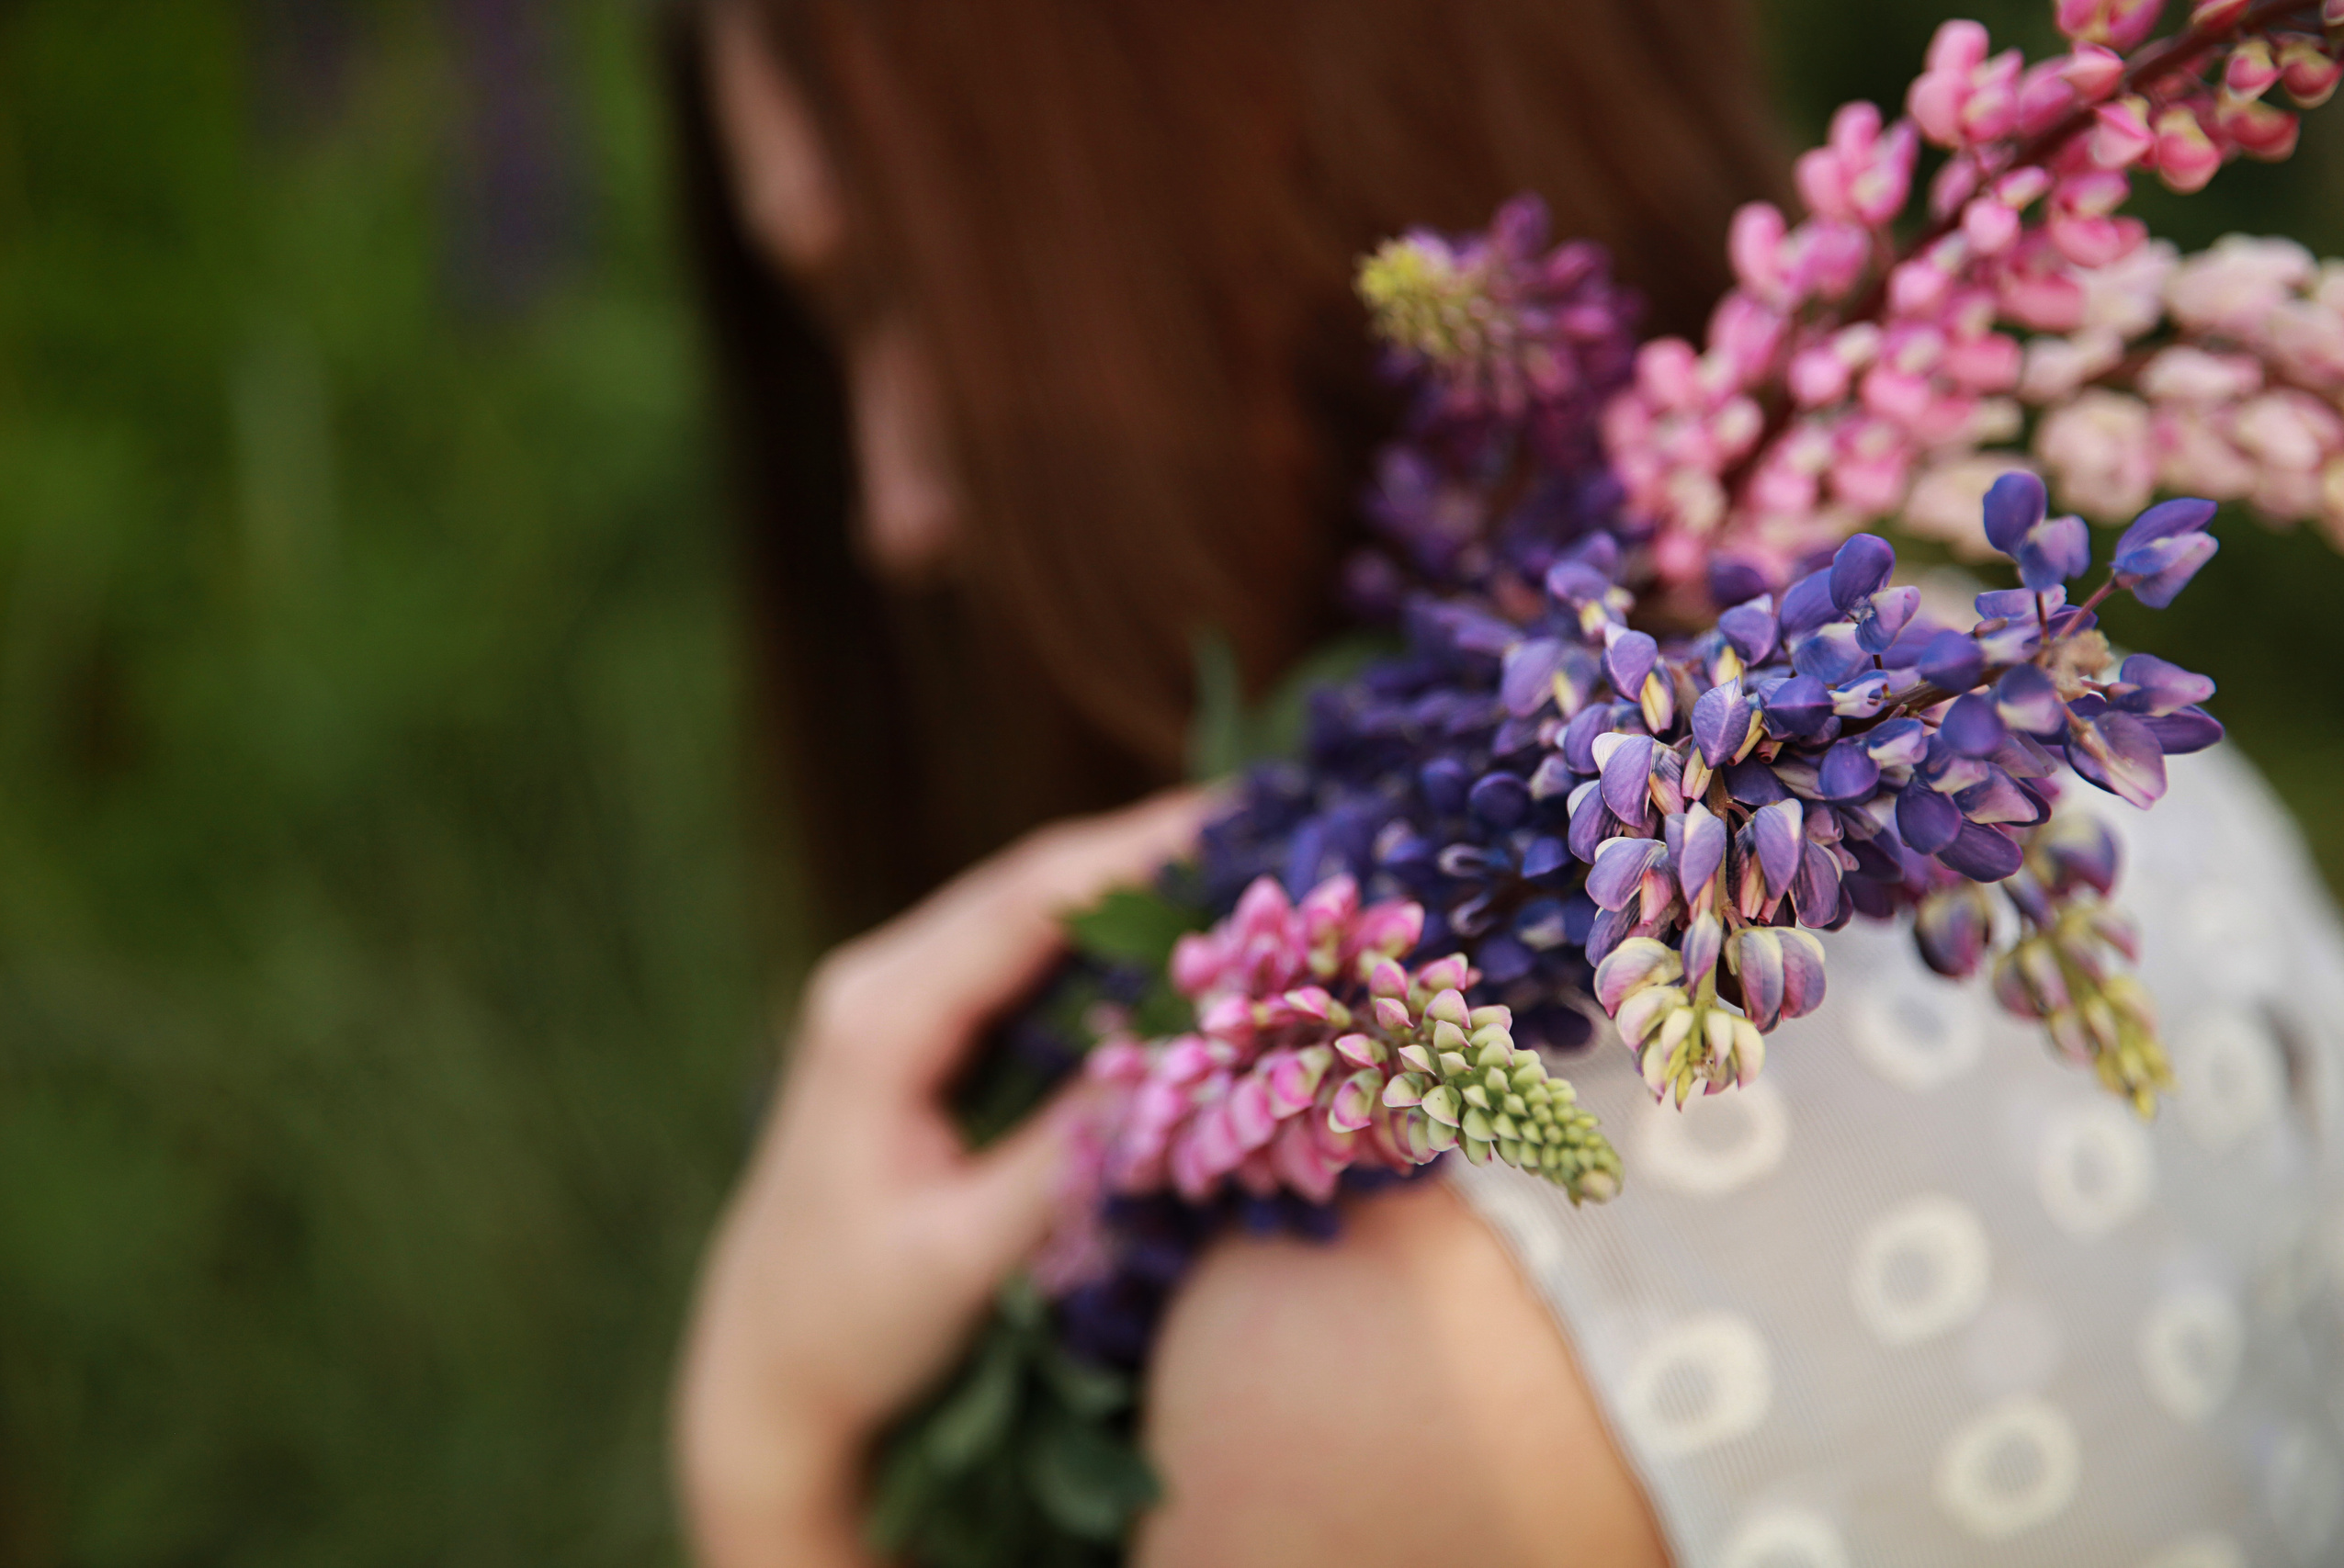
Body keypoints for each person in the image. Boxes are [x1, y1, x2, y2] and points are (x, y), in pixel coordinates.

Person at [670, 3, 2344, 1564]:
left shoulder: (1359, 1383)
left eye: (895, 294)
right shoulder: (2164, 808)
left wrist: (768, 1456)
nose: (890, 505)